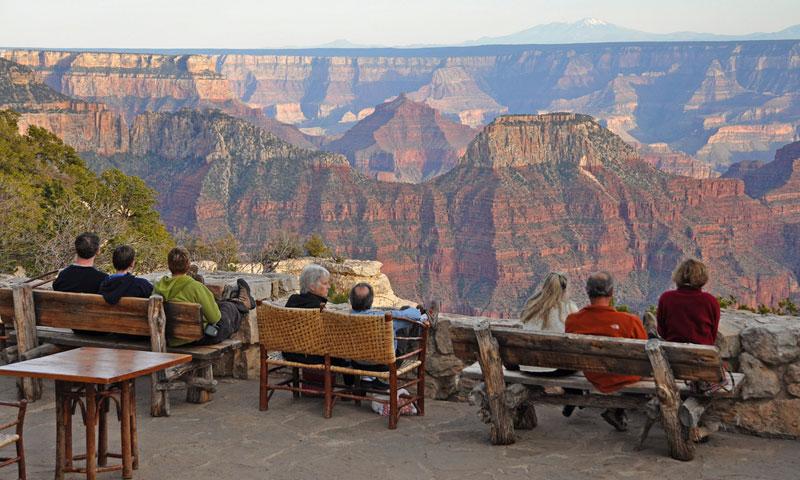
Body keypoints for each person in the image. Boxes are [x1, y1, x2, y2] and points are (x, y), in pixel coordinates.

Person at [565, 272, 647, 431]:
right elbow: (645, 355)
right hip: (624, 376)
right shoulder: (630, 321)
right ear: (611, 293)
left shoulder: (573, 320)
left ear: (587, 292)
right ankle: (617, 409)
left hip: (592, 374)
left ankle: (616, 410)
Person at [154, 247, 254, 347]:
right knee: (228, 308)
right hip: (194, 339)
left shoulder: (158, 287)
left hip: (168, 337)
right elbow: (214, 318)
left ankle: (238, 302)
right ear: (188, 265)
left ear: (169, 265)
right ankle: (242, 304)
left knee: (222, 304)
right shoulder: (195, 287)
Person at [348, 282, 424, 390]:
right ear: (370, 301)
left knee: (368, 342)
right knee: (401, 324)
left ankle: (368, 379)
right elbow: (415, 315)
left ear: (351, 300)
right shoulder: (383, 318)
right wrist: (417, 310)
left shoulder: (345, 317)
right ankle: (369, 378)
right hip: (385, 364)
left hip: (356, 363)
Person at [657, 259, 720, 346]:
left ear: (678, 275)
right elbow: (713, 333)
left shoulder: (666, 298)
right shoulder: (710, 301)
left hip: (672, 355)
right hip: (703, 355)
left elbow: (661, 331)